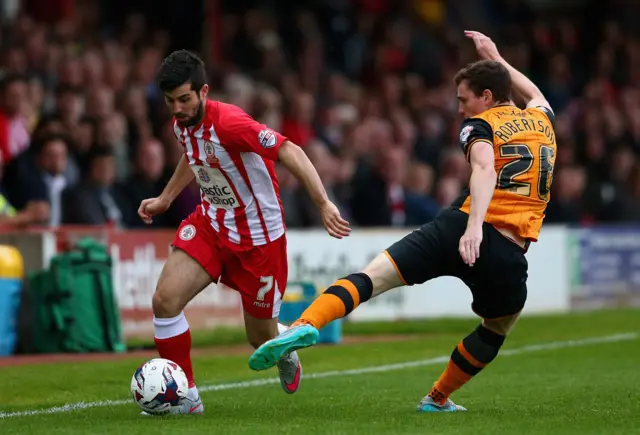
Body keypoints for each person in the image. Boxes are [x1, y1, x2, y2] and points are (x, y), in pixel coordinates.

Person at [247, 31, 558, 413]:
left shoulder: (479, 126)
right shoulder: (542, 119)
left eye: (464, 100)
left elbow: (483, 167)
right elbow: (533, 92)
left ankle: (304, 324)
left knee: (372, 277)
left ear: (486, 98)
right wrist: (496, 57)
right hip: (507, 250)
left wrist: (476, 224)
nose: (460, 108)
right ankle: (437, 398)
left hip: (458, 228)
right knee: (497, 327)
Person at [138, 50, 350, 415]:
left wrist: (323, 203)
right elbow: (194, 155)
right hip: (211, 224)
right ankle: (187, 398)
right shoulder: (182, 124)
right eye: (171, 101)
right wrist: (166, 198)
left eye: (185, 99)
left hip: (258, 239)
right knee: (165, 301)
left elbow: (290, 150)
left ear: (203, 92)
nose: (177, 108)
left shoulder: (231, 123)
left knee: (259, 339)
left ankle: (282, 342)